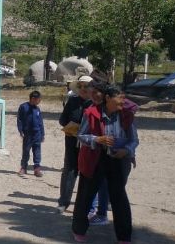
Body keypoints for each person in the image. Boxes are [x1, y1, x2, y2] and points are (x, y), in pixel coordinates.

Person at [72, 84, 138, 244]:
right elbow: (81, 135)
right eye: (119, 99)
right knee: (86, 195)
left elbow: (134, 139)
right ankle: (79, 230)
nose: (123, 103)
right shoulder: (92, 113)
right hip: (95, 158)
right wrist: (97, 139)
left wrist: (127, 150)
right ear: (108, 98)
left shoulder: (126, 115)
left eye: (124, 99)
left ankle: (124, 236)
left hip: (117, 159)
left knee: (119, 197)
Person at [57, 75, 94, 212]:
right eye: (80, 86)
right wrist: (70, 127)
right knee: (69, 171)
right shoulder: (72, 102)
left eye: (86, 86)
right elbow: (62, 120)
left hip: (90, 144)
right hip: (72, 141)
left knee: (88, 173)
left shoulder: (96, 103)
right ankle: (63, 202)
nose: (83, 89)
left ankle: (84, 205)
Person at [17, 90, 45, 177]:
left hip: (37, 134)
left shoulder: (37, 109)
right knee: (26, 151)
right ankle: (23, 167)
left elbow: (40, 122)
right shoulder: (23, 107)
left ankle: (37, 169)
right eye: (38, 99)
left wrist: (42, 134)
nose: (39, 101)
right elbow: (19, 120)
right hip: (27, 134)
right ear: (33, 99)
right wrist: (21, 131)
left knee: (37, 151)